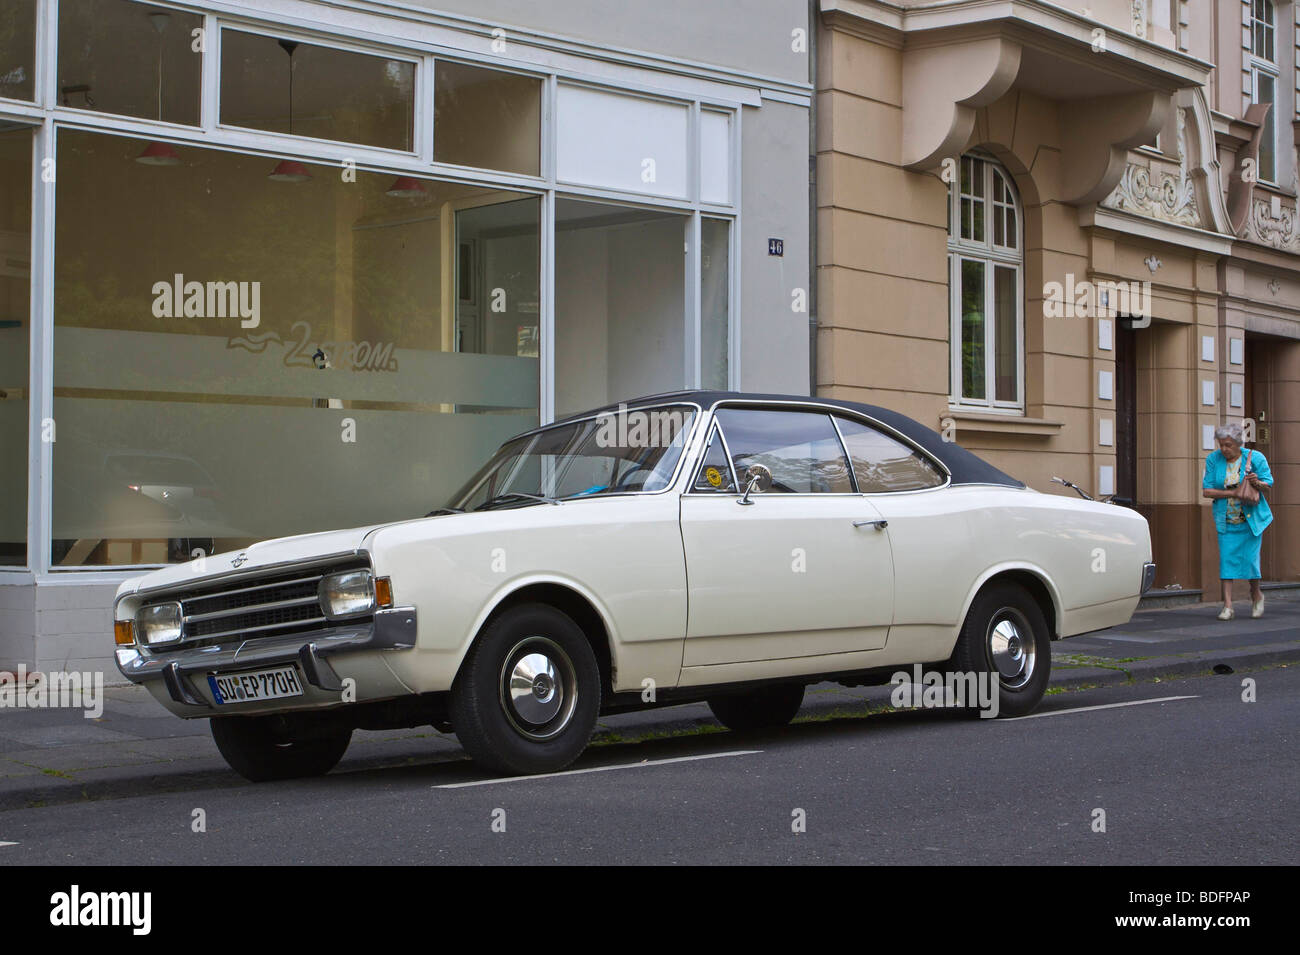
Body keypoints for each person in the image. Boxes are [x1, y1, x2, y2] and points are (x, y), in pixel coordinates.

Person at [1202, 423, 1273, 620]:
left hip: (1251, 521)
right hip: (1225, 519)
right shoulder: (1213, 460)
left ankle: (1256, 594)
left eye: (1228, 445)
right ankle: (1227, 606)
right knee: (1226, 561)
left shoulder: (1255, 457)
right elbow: (1206, 490)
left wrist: (1257, 483)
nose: (1224, 449)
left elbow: (1268, 484)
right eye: (1221, 445)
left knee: (1250, 561)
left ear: (1238, 443)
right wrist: (1232, 493)